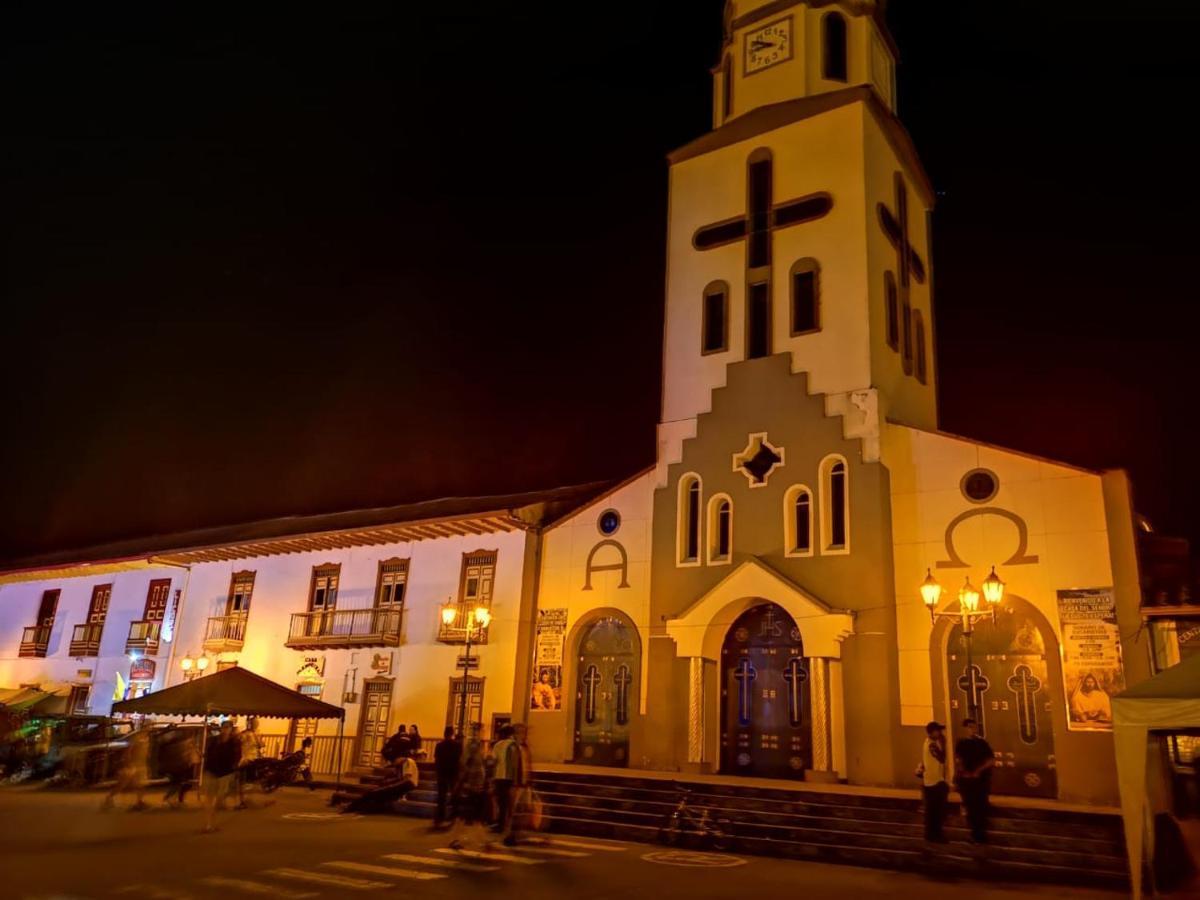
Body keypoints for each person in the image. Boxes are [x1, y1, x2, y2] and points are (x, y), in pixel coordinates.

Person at [954, 717, 995, 844]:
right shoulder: (961, 743)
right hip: (967, 782)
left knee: (981, 808)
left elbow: (990, 760)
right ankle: (975, 834)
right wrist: (964, 773)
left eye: (973, 727)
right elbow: (958, 760)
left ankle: (981, 835)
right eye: (969, 727)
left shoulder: (982, 743)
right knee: (971, 809)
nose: (971, 729)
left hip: (980, 782)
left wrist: (977, 771)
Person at [448, 723, 488, 851]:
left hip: (476, 785)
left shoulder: (478, 745)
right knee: (466, 815)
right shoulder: (472, 745)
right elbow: (466, 764)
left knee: (473, 815)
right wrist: (465, 782)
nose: (480, 733)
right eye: (478, 730)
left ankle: (482, 840)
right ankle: (457, 839)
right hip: (471, 785)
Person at [203, 720, 242, 833]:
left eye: (227, 728)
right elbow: (207, 754)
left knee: (219, 799)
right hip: (211, 771)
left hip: (225, 773)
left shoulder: (234, 742)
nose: (225, 730)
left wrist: (234, 769)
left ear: (231, 729)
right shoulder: (214, 740)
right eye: (223, 727)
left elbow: (237, 756)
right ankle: (208, 824)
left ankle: (211, 822)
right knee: (209, 798)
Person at [102, 727, 149, 811]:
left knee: (140, 785)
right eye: (146, 729)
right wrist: (128, 763)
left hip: (140, 765)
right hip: (132, 765)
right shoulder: (137, 739)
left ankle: (139, 802)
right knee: (122, 784)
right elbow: (128, 752)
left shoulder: (145, 739)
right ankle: (108, 798)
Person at [918, 721, 949, 843]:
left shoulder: (928, 743)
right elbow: (941, 758)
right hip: (934, 782)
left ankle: (932, 834)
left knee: (933, 811)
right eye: (939, 730)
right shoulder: (932, 744)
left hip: (932, 781)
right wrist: (944, 743)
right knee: (936, 812)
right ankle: (935, 835)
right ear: (932, 732)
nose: (941, 733)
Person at [489, 725, 518, 837]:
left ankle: (500, 824)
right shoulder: (514, 745)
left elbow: (493, 761)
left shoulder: (498, 745)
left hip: (499, 776)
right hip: (510, 777)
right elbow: (515, 763)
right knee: (508, 802)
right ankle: (506, 824)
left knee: (501, 802)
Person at [433, 725, 460, 827]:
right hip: (453, 773)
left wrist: (438, 771)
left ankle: (440, 817)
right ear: (452, 733)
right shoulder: (457, 745)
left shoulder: (439, 745)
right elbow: (459, 759)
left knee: (441, 796)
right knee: (454, 796)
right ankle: (454, 816)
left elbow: (437, 759)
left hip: (442, 773)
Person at [236, 716, 263, 808]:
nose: (256, 724)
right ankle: (242, 800)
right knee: (243, 781)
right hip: (246, 759)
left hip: (254, 758)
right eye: (255, 723)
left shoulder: (255, 733)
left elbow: (260, 745)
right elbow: (239, 741)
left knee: (252, 781)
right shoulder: (245, 734)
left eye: (257, 723)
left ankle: (247, 800)